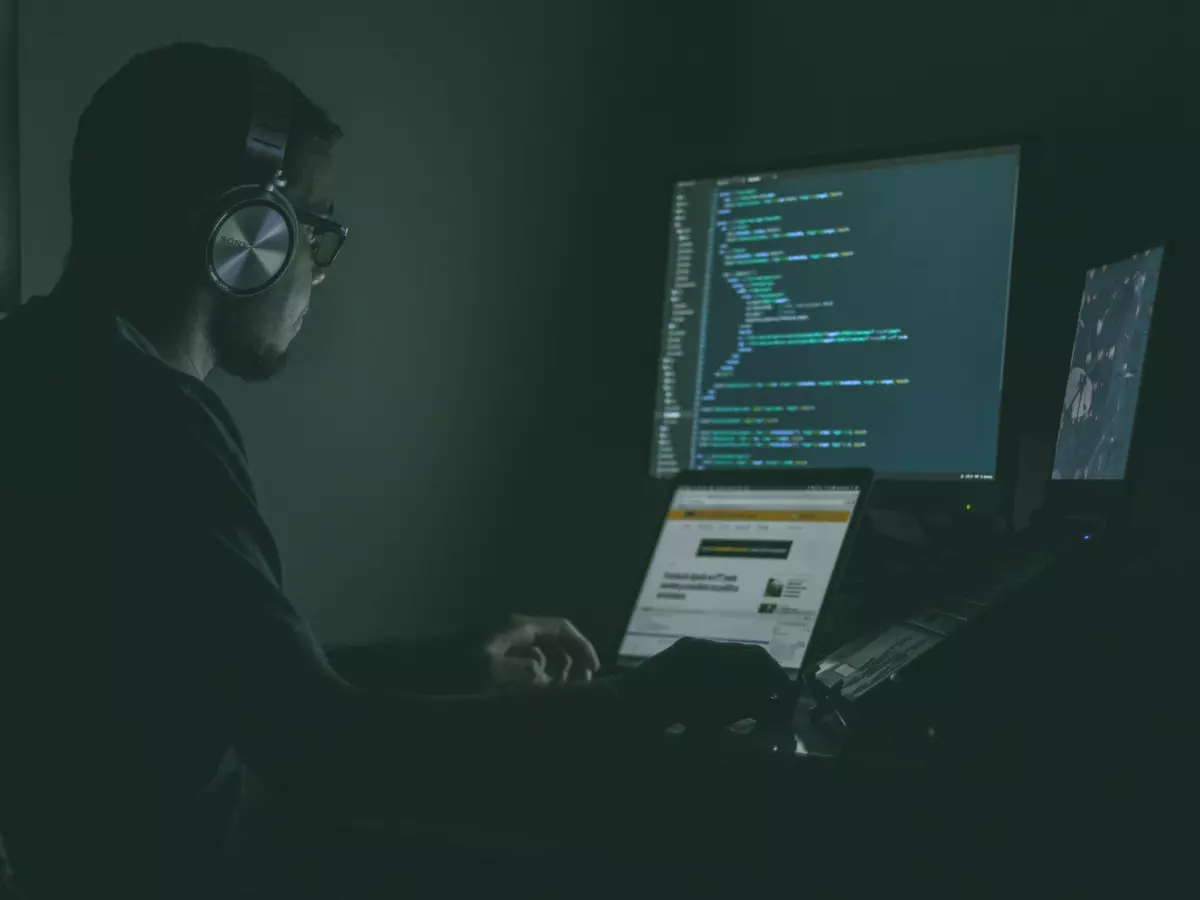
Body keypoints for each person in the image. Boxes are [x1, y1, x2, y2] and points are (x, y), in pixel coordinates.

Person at [0, 44, 791, 898]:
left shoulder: (36, 366)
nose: (316, 271)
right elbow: (330, 756)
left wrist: (451, 665)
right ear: (244, 237)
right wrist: (650, 699)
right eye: (316, 228)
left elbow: (232, 678)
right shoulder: (147, 417)